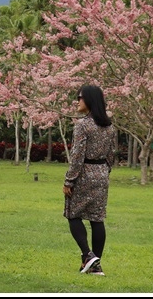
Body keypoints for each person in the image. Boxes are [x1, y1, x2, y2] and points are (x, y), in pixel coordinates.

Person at [63, 84, 116, 276]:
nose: (77, 101)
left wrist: (69, 180)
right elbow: (112, 154)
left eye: (80, 97)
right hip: (102, 173)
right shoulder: (109, 126)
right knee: (97, 218)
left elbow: (77, 155)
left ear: (90, 100)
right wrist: (103, 172)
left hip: (84, 173)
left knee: (73, 214)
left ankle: (87, 255)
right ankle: (96, 266)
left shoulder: (83, 125)